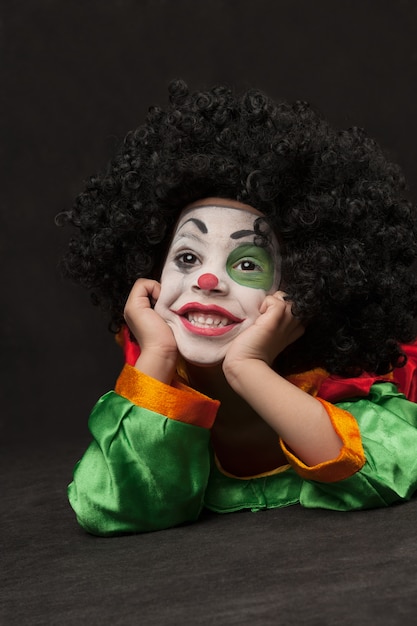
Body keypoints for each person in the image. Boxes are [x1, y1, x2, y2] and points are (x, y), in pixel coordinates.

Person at [58, 79, 417, 536]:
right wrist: (158, 357)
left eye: (246, 263)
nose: (207, 281)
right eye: (187, 258)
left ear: (303, 287)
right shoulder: (156, 382)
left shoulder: (340, 389)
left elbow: (381, 475)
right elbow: (109, 504)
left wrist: (248, 367)